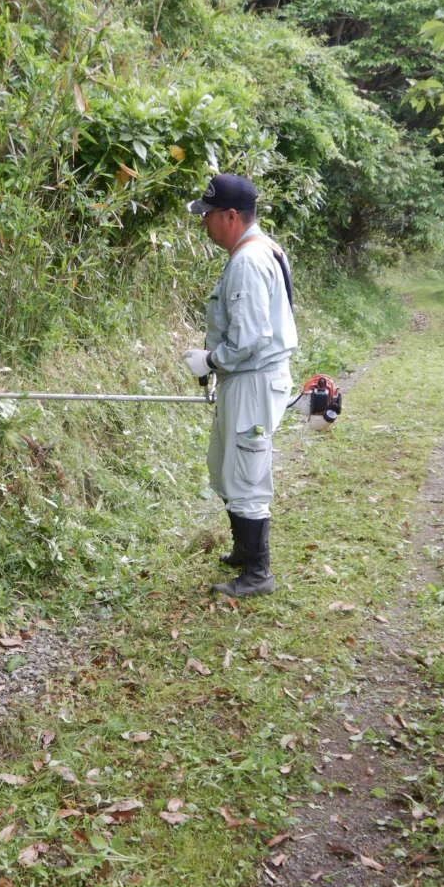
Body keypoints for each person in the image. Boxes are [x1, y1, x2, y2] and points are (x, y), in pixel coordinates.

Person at [180, 173, 297, 598]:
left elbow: (250, 338)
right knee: (230, 464)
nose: (205, 224)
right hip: (249, 380)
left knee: (247, 472)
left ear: (231, 215)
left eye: (209, 215)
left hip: (253, 380)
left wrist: (210, 359)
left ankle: (257, 573)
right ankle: (244, 553)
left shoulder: (248, 261)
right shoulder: (263, 248)